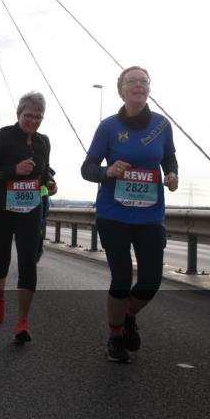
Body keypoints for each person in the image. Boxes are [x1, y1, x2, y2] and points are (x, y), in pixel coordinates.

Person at [81, 66, 178, 363]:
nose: (138, 85)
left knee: (151, 280)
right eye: (131, 81)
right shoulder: (108, 127)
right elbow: (87, 169)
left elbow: (169, 157)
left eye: (143, 81)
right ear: (121, 90)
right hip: (114, 215)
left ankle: (128, 314)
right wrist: (107, 171)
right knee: (121, 278)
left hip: (150, 216)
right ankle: (114, 336)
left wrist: (172, 174)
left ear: (149, 88)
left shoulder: (162, 125)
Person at [0, 92, 56, 344]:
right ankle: (0, 296)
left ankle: (23, 322)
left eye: (38, 117)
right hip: (0, 208)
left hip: (30, 208)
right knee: (2, 259)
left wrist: (48, 181)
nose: (33, 121)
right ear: (19, 114)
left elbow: (44, 169)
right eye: (28, 116)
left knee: (28, 261)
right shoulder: (3, 135)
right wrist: (13, 170)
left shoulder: (43, 142)